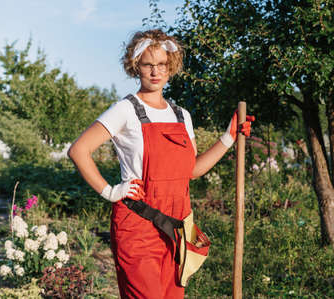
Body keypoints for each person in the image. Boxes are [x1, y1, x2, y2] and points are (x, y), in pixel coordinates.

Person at [68, 29, 254, 299]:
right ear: (136, 67)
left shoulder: (182, 116)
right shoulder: (126, 109)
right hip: (138, 225)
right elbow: (79, 150)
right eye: (148, 65)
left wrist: (228, 138)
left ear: (171, 68)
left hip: (176, 227)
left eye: (162, 65)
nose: (155, 72)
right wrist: (110, 191)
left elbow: (191, 171)